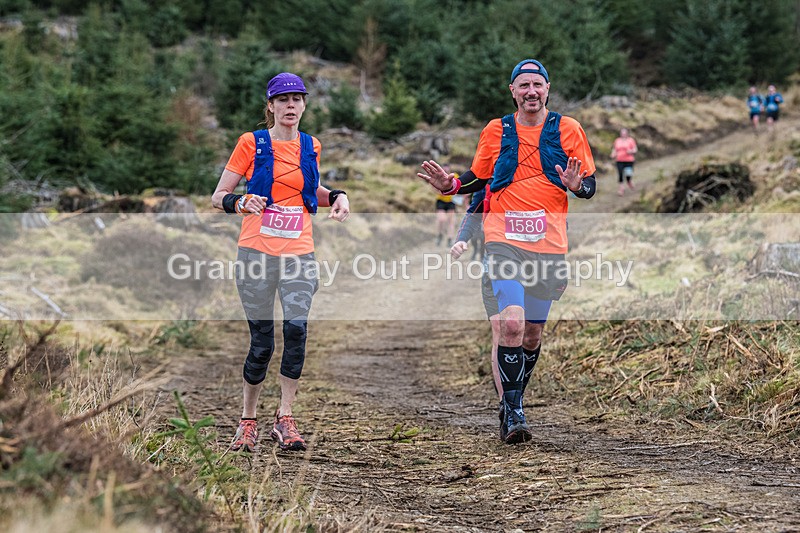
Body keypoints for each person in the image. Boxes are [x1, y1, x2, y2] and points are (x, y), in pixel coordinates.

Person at [418, 59, 597, 444]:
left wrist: (576, 185)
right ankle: (513, 412)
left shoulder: (569, 129)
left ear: (548, 88)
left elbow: (590, 185)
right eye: (523, 86)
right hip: (503, 240)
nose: (531, 91)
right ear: (512, 91)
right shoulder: (495, 130)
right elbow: (476, 178)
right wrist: (449, 184)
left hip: (549, 244)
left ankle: (512, 400)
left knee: (531, 334)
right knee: (511, 324)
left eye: (537, 85)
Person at [211, 72, 350, 453]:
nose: (291, 106)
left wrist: (337, 196)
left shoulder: (311, 145)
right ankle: (248, 420)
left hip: (299, 253)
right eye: (283, 100)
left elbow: (309, 191)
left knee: (297, 331)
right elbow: (218, 195)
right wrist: (240, 202)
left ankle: (285, 418)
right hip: (256, 252)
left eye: (297, 99)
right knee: (261, 343)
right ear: (270, 106)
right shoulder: (250, 144)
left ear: (304, 105)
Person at [450, 183, 503, 431]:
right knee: (504, 330)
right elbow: (475, 209)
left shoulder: (545, 159)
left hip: (541, 259)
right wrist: (462, 240)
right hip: (497, 259)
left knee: (530, 337)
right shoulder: (491, 166)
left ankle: (515, 396)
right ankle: (509, 405)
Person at [434, 163, 457, 246]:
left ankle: (450, 239)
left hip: (451, 201)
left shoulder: (454, 176)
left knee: (451, 221)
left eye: (447, 169)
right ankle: (439, 234)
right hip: (441, 201)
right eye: (444, 169)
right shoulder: (438, 177)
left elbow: (459, 187)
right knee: (441, 219)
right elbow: (434, 188)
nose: (446, 170)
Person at [610, 127, 637, 196]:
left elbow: (635, 149)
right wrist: (613, 154)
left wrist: (631, 151)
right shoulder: (617, 140)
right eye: (622, 133)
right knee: (620, 174)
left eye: (624, 133)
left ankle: (629, 181)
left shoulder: (631, 140)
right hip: (619, 160)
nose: (623, 134)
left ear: (627, 133)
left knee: (628, 174)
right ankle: (621, 189)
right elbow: (615, 149)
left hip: (629, 160)